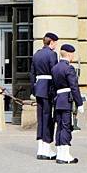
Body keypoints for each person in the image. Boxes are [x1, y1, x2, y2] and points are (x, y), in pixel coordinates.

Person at [52, 44, 84, 164]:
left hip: (58, 99)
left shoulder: (55, 68)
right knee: (66, 126)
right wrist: (79, 103)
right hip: (66, 100)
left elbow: (53, 87)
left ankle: (60, 152)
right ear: (69, 54)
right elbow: (74, 87)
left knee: (59, 126)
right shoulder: (69, 68)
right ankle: (65, 155)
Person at [30, 32, 59, 160]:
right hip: (48, 88)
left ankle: (40, 148)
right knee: (48, 119)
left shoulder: (36, 54)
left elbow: (32, 74)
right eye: (55, 42)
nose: (56, 45)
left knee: (41, 118)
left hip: (39, 88)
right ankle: (46, 149)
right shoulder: (52, 54)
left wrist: (33, 89)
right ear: (51, 42)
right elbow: (55, 72)